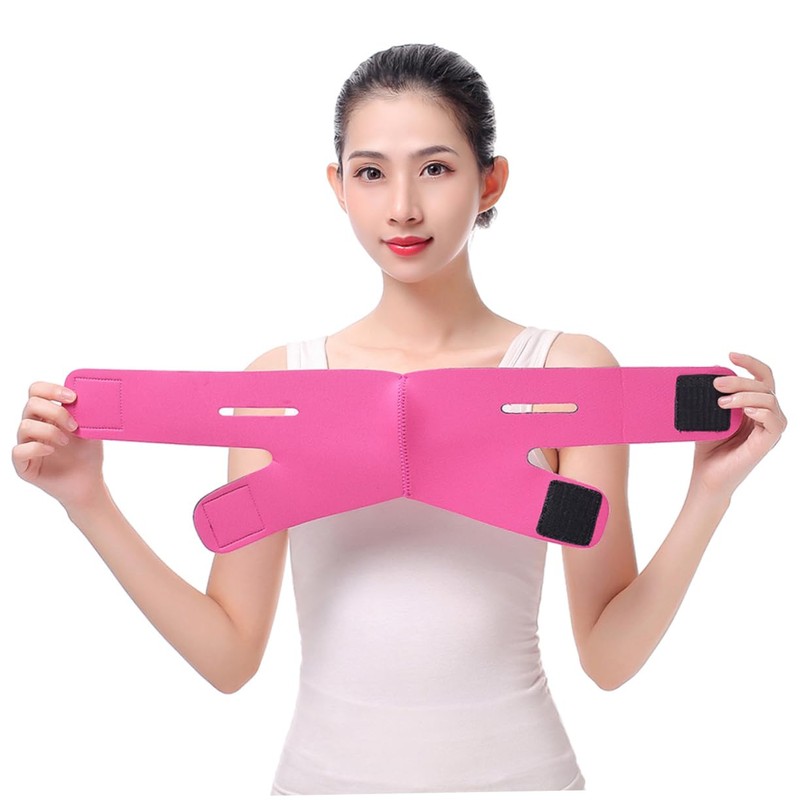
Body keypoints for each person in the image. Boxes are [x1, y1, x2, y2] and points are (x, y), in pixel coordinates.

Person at [12, 43, 787, 794]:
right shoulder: (279, 383)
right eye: (371, 173)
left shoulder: (566, 374)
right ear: (338, 186)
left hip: (522, 781)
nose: (403, 207)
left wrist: (710, 494)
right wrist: (88, 500)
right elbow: (229, 657)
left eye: (436, 168)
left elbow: (609, 656)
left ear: (490, 181)